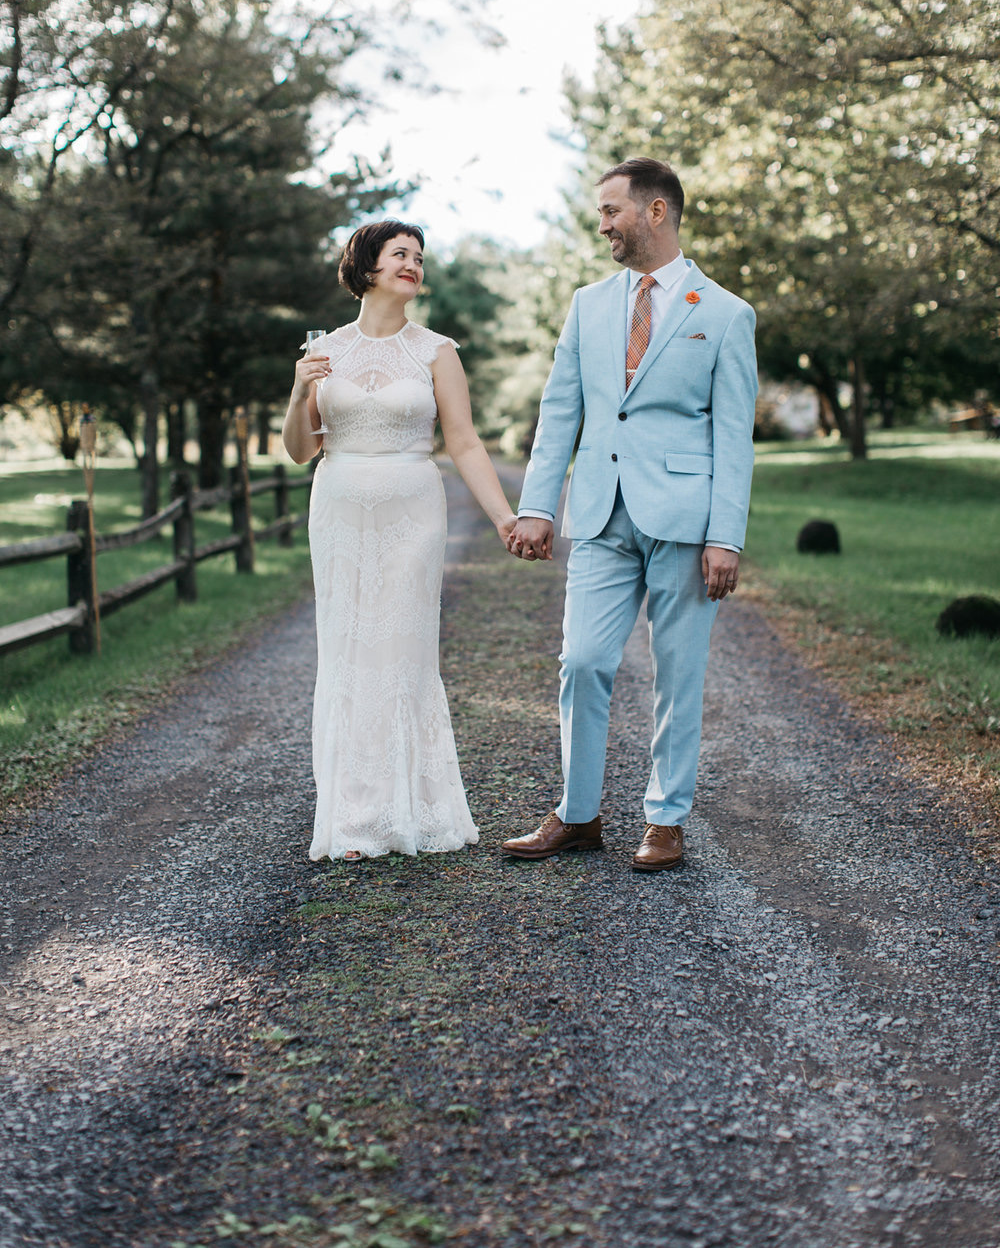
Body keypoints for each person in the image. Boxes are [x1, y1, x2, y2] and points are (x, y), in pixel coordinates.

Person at [502, 158, 757, 872]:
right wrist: (537, 506)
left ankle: (666, 818)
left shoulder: (727, 314)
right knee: (582, 662)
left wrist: (725, 536)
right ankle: (578, 816)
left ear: (656, 212)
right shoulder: (587, 304)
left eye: (612, 211)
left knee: (678, 675)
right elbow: (561, 413)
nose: (603, 225)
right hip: (601, 516)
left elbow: (733, 435)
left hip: (684, 519)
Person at [282, 219, 516, 862]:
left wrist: (502, 517)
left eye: (419, 256)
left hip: (413, 512)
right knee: (349, 649)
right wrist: (301, 388)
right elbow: (302, 451)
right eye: (399, 254)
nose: (413, 264)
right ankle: (354, 819)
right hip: (338, 512)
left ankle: (415, 809)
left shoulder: (437, 350)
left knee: (401, 653)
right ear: (365, 266)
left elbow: (463, 442)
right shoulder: (323, 349)